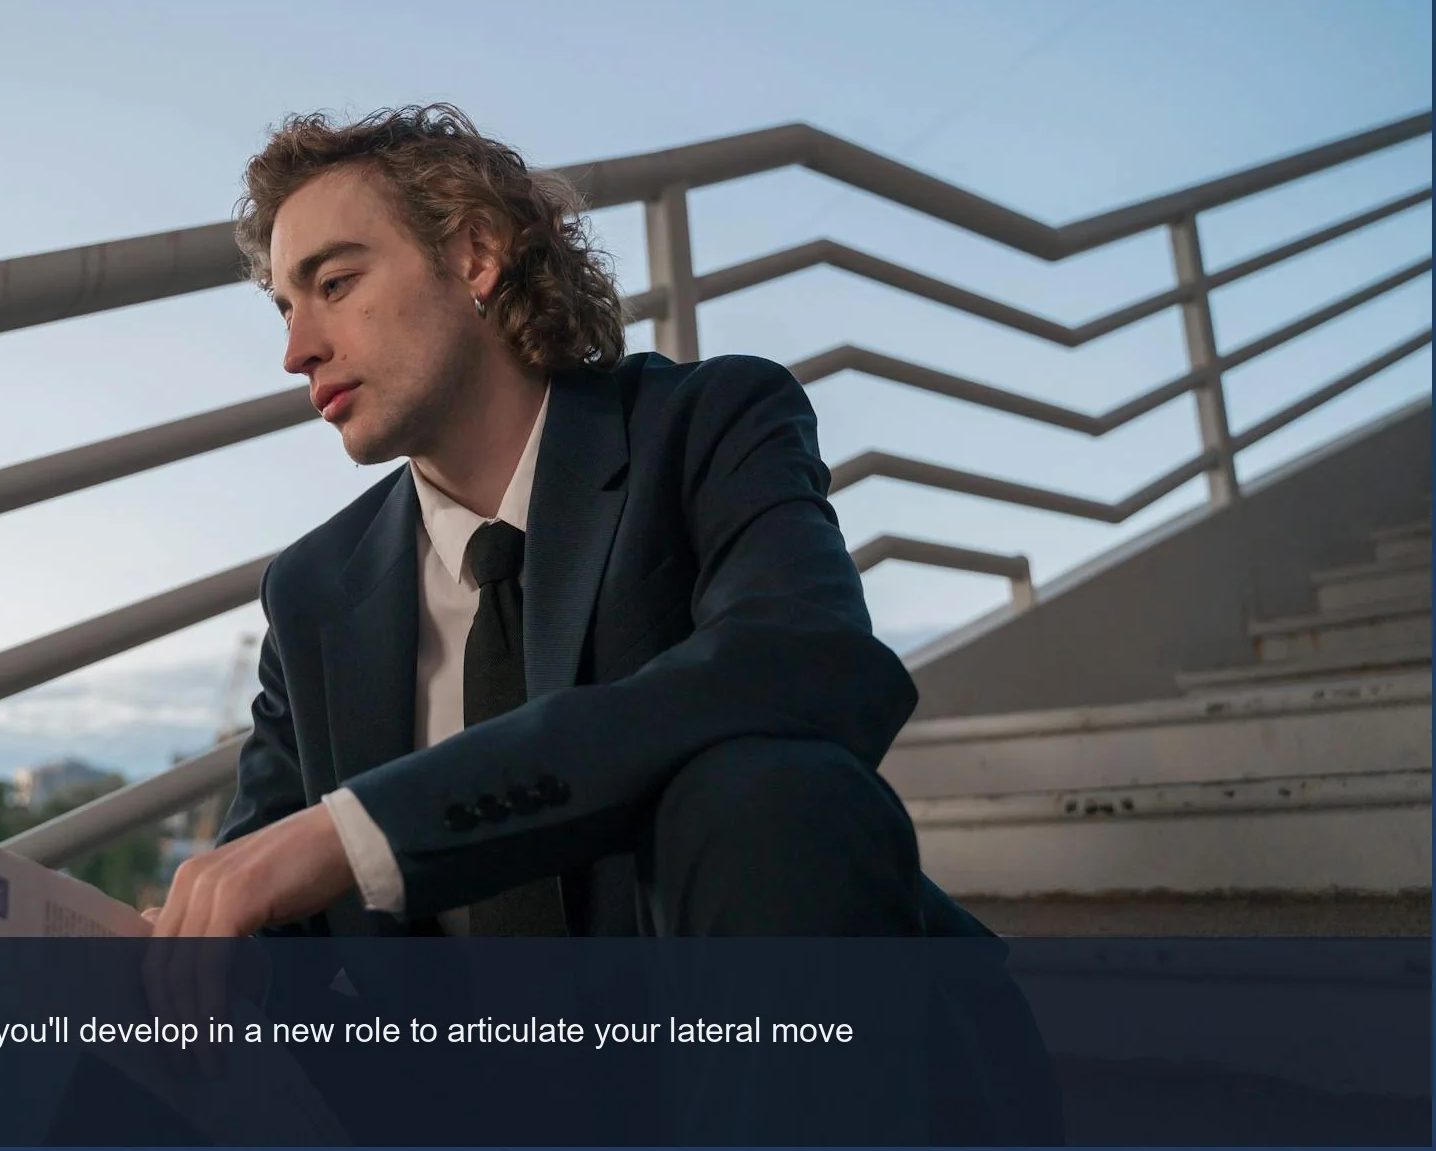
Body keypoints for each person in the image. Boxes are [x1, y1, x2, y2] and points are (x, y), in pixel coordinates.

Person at [141, 103, 1062, 1144]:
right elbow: (271, 899)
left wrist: (362, 825)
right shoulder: (313, 587)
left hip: (773, 1070)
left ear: (477, 253)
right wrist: (176, 950)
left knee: (766, 783)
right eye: (282, 307)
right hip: (470, 1104)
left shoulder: (707, 423)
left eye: (335, 282)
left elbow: (808, 663)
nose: (298, 348)